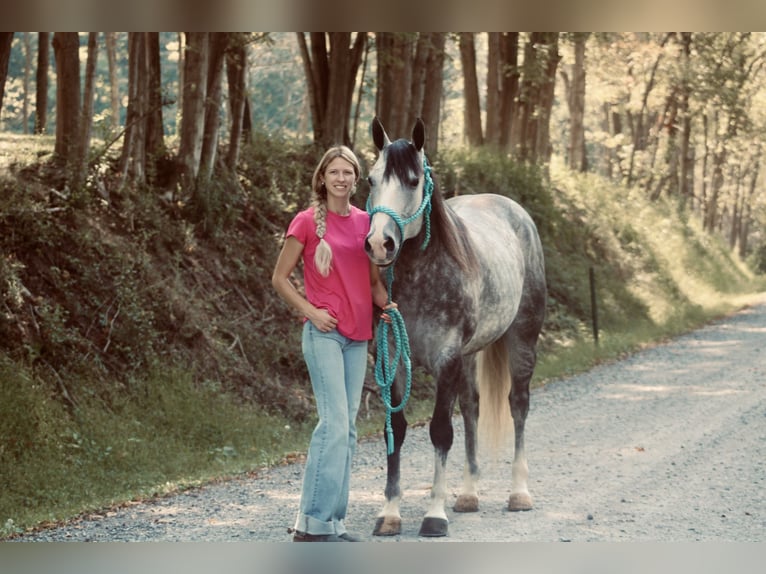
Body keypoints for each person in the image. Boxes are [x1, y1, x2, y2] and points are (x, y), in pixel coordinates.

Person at [272, 145, 393, 542]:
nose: (341, 179)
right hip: (323, 334)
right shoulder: (306, 223)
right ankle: (312, 522)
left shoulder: (367, 222)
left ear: (357, 181)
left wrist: (386, 306)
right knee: (334, 425)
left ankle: (334, 521)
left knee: (349, 430)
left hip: (358, 337)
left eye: (348, 173)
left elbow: (373, 282)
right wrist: (311, 311)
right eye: (334, 172)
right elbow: (279, 278)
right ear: (322, 178)